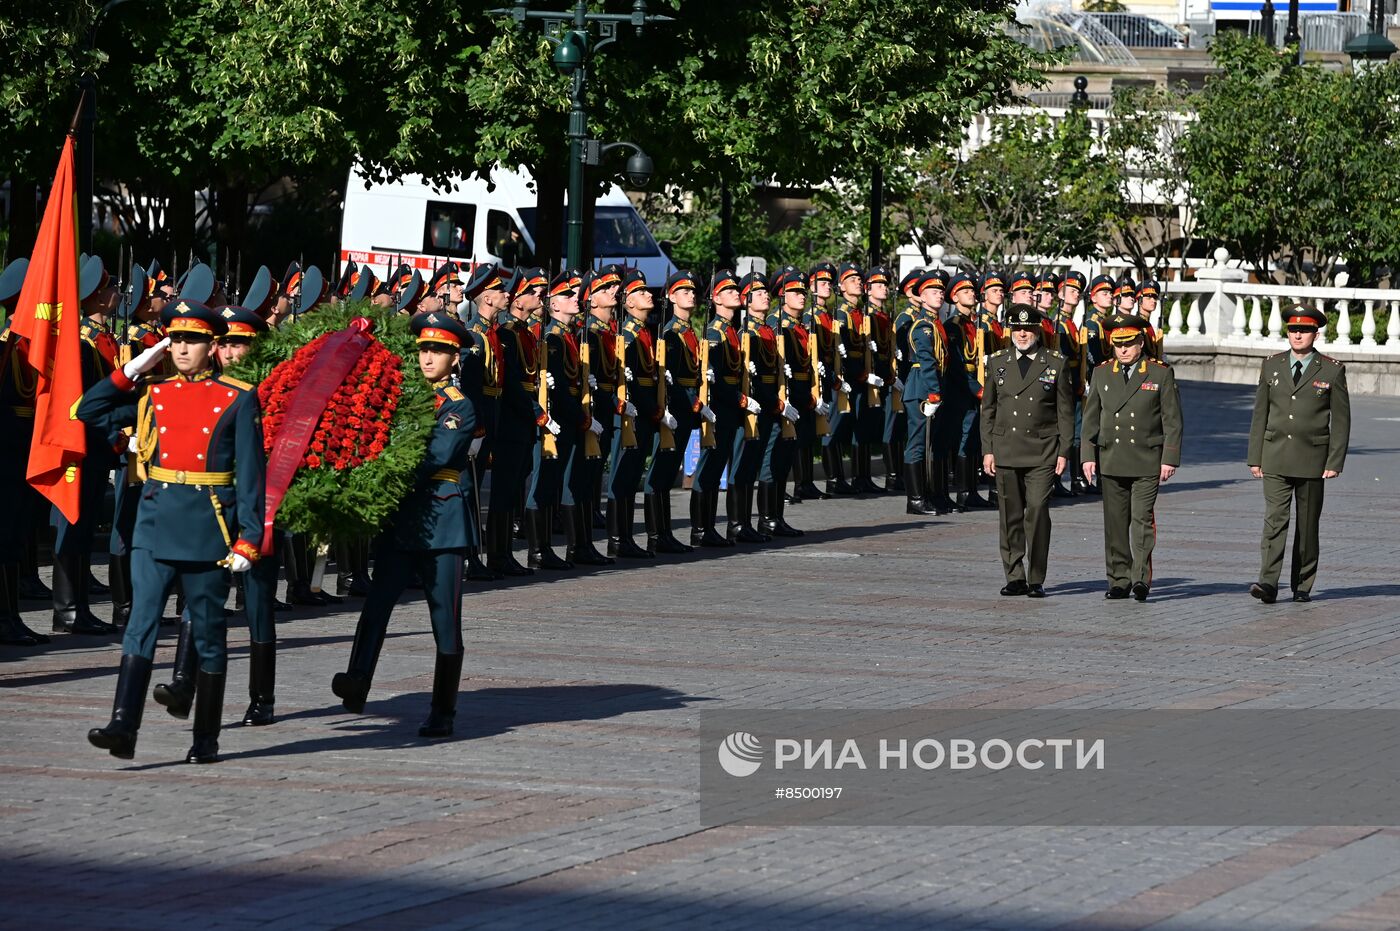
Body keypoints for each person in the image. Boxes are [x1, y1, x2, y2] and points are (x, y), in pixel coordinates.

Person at [81, 300, 266, 762]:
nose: (182, 348)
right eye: (176, 339)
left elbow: (251, 475)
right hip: (156, 520)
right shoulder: (152, 391)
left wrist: (248, 537)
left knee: (207, 632)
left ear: (213, 346)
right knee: (140, 624)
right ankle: (123, 725)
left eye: (193, 340)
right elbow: (88, 408)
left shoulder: (237, 396)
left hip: (207, 526)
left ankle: (205, 736)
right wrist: (133, 368)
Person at [331, 312, 475, 737]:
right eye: (423, 350)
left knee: (444, 619)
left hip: (440, 523)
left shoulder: (457, 406)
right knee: (376, 606)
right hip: (401, 521)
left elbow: (433, 458)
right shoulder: (403, 396)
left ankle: (443, 709)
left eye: (438, 351)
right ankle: (357, 682)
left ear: (454, 357)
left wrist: (376, 476)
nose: (428, 357)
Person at [1246, 305, 1350, 604]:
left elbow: (1341, 420)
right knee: (1275, 521)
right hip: (1275, 455)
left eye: (1304, 330)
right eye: (1293, 329)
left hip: (1312, 459)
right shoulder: (1272, 366)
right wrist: (1255, 457)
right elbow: (1260, 414)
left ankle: (1302, 584)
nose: (1298, 335)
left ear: (1315, 334)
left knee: (1307, 526)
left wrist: (1335, 461)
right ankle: (1267, 582)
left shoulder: (1331, 369)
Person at [1081, 314, 1183, 602]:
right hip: (1112, 458)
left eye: (1129, 344)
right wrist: (1088, 456)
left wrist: (1169, 458)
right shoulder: (1101, 373)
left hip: (1146, 458)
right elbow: (1091, 420)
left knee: (1141, 521)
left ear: (1141, 342)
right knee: (1114, 524)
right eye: (1118, 345)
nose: (1123, 350)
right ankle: (1118, 579)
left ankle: (1140, 579)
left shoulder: (1159, 373)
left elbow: (1172, 419)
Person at [980, 304, 1074, 598]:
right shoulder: (998, 362)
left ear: (1038, 331)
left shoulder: (1055, 362)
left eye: (1028, 329)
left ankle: (1036, 577)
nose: (1022, 334)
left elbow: (1065, 412)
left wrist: (1064, 451)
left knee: (1037, 510)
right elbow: (989, 410)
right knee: (1010, 515)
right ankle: (1014, 574)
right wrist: (988, 450)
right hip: (1006, 447)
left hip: (1042, 450)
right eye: (1017, 329)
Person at [644, 271, 703, 554]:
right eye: (684, 291)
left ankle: (664, 533)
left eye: (692, 291)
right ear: (671, 296)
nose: (691, 295)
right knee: (661, 472)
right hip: (675, 409)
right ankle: (657, 534)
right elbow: (670, 379)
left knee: (668, 474)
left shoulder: (689, 332)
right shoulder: (669, 334)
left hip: (687, 408)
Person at [690, 270, 750, 546]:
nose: (736, 294)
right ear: (715, 298)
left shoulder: (730, 331)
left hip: (730, 408)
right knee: (710, 468)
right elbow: (714, 377)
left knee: (718, 470)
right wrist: (739, 397)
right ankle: (701, 529)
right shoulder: (714, 332)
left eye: (737, 290)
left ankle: (710, 528)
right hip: (718, 408)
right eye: (729, 291)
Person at [607, 270, 661, 557]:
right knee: (622, 476)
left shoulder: (643, 332)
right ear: (627, 302)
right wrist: (652, 409)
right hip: (631, 415)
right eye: (641, 293)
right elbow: (631, 384)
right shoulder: (627, 336)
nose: (649, 295)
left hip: (643, 414)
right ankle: (618, 537)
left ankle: (625, 537)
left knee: (631, 478)